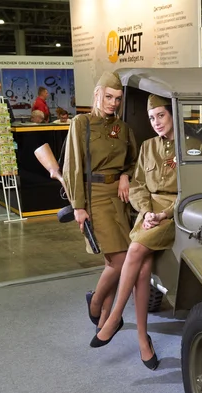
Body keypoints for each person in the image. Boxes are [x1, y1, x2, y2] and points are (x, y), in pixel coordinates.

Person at [89, 94, 202, 370]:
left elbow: (195, 189)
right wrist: (145, 212)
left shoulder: (194, 147)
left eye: (161, 116)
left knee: (136, 248)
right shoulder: (147, 147)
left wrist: (164, 213)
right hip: (149, 212)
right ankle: (143, 340)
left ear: (173, 115)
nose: (156, 123)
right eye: (152, 118)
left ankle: (115, 316)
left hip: (176, 213)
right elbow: (139, 185)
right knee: (141, 269)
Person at [62, 71, 138, 335]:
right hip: (94, 197)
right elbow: (72, 167)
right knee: (120, 260)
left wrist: (126, 175)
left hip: (118, 198)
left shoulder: (123, 128)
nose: (113, 103)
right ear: (97, 94)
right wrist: (79, 206)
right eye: (108, 97)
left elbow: (132, 159)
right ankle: (95, 304)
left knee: (114, 261)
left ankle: (106, 320)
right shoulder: (81, 123)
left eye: (117, 99)